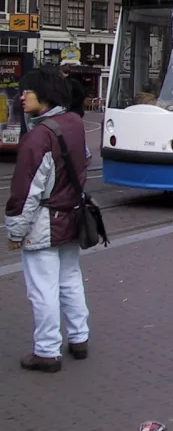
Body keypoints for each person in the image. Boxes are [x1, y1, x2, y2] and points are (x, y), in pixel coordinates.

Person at [6, 65, 91, 373]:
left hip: (44, 221)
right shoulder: (74, 123)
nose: (22, 97)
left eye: (27, 91)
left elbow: (25, 191)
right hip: (72, 215)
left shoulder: (38, 136)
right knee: (69, 279)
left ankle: (46, 351)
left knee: (42, 288)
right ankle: (79, 338)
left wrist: (15, 231)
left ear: (43, 94)